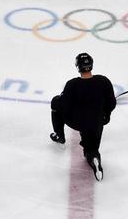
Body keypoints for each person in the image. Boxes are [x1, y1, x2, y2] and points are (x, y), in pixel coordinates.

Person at [49, 53, 116, 181]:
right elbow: (111, 103)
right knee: (91, 149)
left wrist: (60, 101)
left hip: (78, 122)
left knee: (55, 102)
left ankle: (60, 136)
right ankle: (95, 158)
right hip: (96, 123)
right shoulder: (104, 81)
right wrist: (106, 114)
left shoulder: (72, 84)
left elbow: (62, 104)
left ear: (78, 67)